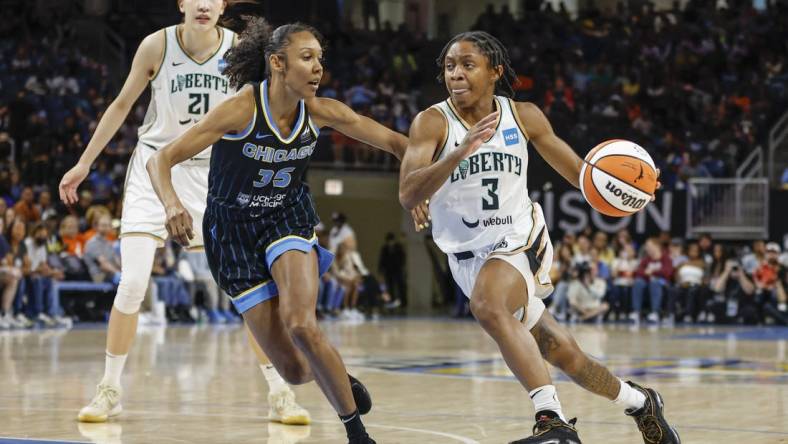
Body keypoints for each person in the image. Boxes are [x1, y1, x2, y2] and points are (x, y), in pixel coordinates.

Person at [399, 31, 679, 444]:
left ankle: (553, 423)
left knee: (487, 306)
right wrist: (460, 151)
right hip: (465, 258)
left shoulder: (524, 116)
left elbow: (584, 177)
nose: (455, 74)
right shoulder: (432, 121)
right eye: (449, 66)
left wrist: (631, 190)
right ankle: (639, 402)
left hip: (518, 237)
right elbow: (408, 193)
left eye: (467, 64)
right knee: (563, 353)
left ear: (495, 71)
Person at [147, 19, 408, 444]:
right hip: (231, 235)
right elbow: (160, 160)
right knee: (295, 369)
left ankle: (357, 434)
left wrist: (420, 187)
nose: (318, 67)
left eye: (321, 59)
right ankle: (338, 374)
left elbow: (400, 144)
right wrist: (172, 204)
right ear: (277, 63)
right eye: (307, 58)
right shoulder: (240, 110)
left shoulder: (324, 111)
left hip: (287, 220)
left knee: (302, 324)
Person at [58, 0, 309, 425]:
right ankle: (109, 389)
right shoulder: (156, 46)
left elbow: (265, 111)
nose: (204, 4)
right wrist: (85, 162)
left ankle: (280, 392)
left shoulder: (241, 51)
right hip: (155, 166)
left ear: (223, 4)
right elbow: (121, 105)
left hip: (215, 173)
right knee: (133, 282)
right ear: (181, 3)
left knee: (246, 290)